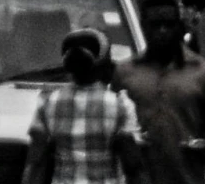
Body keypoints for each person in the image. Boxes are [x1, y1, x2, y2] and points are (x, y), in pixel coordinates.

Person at [117, 0, 205, 184]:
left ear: (179, 26)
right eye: (155, 25)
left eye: (169, 24)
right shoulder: (124, 73)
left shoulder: (203, 72)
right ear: (143, 26)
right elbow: (112, 126)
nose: (162, 31)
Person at [25, 28, 147, 184]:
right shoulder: (119, 106)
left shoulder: (48, 103)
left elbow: (36, 163)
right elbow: (133, 166)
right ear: (104, 63)